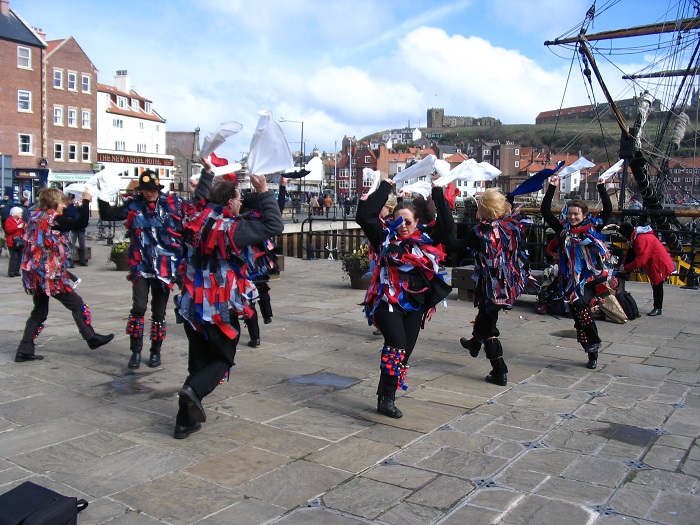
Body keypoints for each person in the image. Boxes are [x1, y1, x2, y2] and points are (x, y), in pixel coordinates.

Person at [173, 172, 284, 439]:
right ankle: (193, 393)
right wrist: (265, 191)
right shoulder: (231, 228)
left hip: (191, 305)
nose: (240, 204)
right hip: (218, 306)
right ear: (230, 202)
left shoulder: (193, 219)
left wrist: (206, 175)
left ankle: (183, 423)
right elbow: (274, 226)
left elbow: (199, 200)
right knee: (224, 358)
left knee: (199, 362)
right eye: (237, 199)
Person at [98, 168, 214, 370]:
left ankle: (155, 351)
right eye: (145, 189)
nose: (149, 192)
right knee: (138, 307)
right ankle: (135, 351)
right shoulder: (134, 205)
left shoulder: (174, 204)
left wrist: (207, 174)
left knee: (159, 313)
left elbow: (199, 203)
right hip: (141, 266)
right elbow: (109, 214)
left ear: (158, 188)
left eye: (152, 189)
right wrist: (101, 195)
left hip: (165, 268)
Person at [356, 177, 452, 419]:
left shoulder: (424, 238)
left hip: (415, 304)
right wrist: (385, 185)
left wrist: (438, 192)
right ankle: (386, 399)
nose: (402, 226)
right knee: (396, 345)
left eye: (407, 221)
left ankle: (386, 395)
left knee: (404, 353)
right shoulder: (383, 237)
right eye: (397, 221)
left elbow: (447, 227)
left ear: (417, 222)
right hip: (387, 301)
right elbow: (365, 217)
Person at [15, 187, 113, 362]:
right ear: (54, 203)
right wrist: (85, 201)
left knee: (39, 311)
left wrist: (73, 205)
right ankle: (91, 338)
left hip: (35, 274)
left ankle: (24, 349)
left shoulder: (36, 216)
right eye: (61, 202)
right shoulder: (54, 219)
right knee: (76, 303)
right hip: (49, 275)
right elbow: (80, 223)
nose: (63, 206)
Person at [447, 188, 530, 386]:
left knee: (489, 327)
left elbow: (456, 246)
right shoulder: (513, 226)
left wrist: (443, 226)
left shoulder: (482, 232)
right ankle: (474, 344)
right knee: (485, 314)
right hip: (508, 284)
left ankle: (499, 371)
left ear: (485, 210)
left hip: (491, 286)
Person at [541, 174, 613, 369]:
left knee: (580, 305)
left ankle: (594, 343)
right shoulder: (563, 231)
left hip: (590, 279)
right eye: (570, 213)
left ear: (584, 214)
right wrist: (552, 187)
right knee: (580, 321)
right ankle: (591, 352)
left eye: (576, 214)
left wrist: (601, 187)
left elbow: (608, 210)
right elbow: (545, 211)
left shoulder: (593, 228)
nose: (573, 217)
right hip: (569, 281)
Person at [241, 176, 287, 347]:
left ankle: (255, 337)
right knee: (262, 287)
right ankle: (267, 314)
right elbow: (279, 207)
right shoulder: (265, 220)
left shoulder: (241, 221)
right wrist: (282, 188)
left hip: (245, 263)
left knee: (248, 299)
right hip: (262, 261)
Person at [618, 222, 675, 316]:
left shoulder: (641, 239)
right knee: (656, 285)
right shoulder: (638, 236)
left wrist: (626, 268)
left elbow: (641, 260)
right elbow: (631, 252)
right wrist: (624, 264)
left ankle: (658, 308)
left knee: (657, 285)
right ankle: (657, 307)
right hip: (655, 262)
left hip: (658, 263)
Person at [66, 197, 88, 267]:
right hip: (74, 228)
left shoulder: (82, 208)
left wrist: (79, 206)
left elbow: (85, 215)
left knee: (82, 245)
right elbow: (68, 213)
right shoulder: (71, 208)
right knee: (71, 245)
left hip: (81, 229)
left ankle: (82, 261)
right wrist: (71, 205)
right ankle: (70, 261)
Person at [5, 206, 25, 277]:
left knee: (19, 257)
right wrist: (17, 227)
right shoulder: (9, 220)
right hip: (12, 241)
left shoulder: (21, 221)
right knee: (14, 256)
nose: (21, 215)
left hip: (20, 241)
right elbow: (8, 230)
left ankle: (17, 270)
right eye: (19, 213)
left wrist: (24, 227)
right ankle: (11, 271)